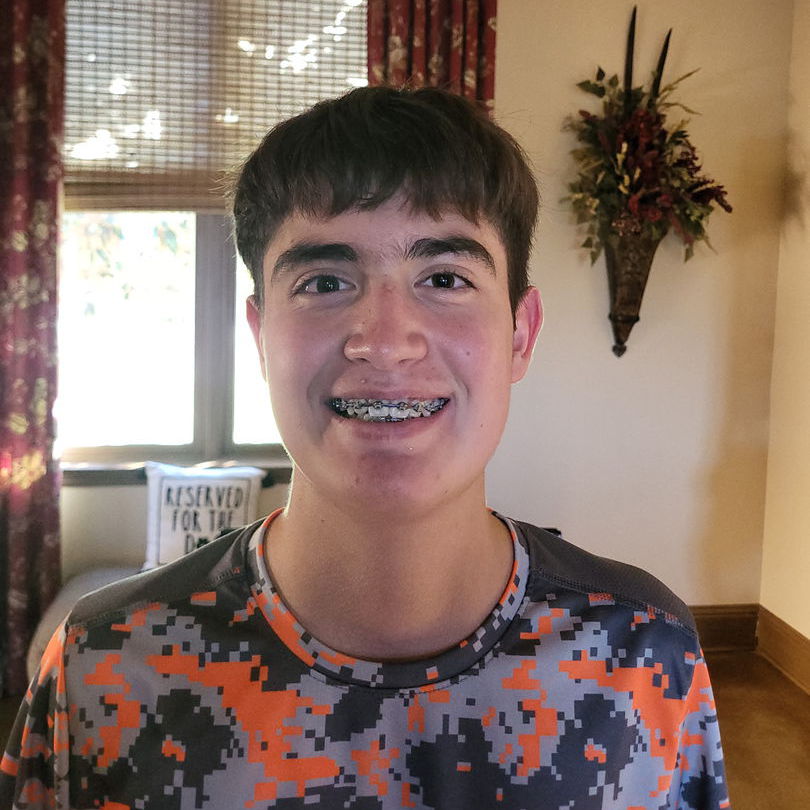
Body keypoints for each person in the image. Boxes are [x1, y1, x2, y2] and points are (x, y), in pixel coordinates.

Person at [0, 86, 731, 810]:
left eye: (445, 278)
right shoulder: (103, 665)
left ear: (520, 333)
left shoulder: (644, 652)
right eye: (324, 281)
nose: (384, 341)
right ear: (260, 337)